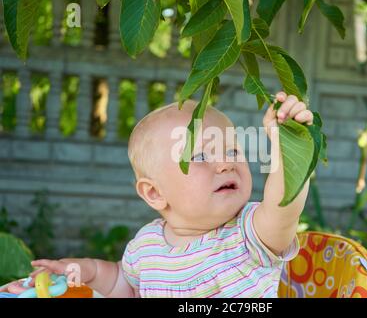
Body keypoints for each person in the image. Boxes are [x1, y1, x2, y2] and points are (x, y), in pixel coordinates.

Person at [2, 91, 313, 297]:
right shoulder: (147, 245)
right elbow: (124, 285)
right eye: (202, 156)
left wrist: (290, 146)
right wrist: (85, 269)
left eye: (233, 150)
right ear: (154, 193)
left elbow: (283, 208)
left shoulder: (249, 233)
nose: (225, 164)